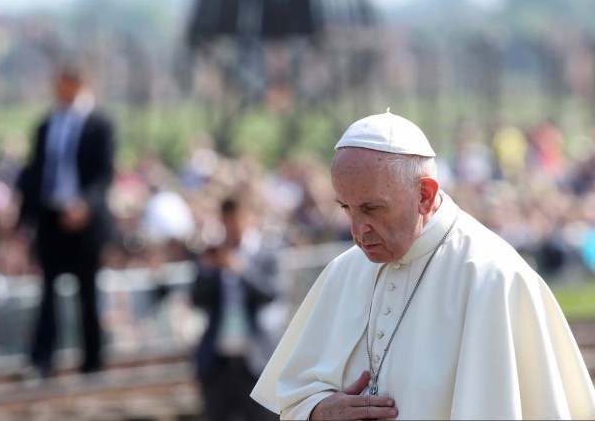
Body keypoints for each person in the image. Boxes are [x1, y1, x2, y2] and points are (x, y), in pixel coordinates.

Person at [251, 111, 595, 420]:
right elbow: (293, 398)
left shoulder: (493, 278)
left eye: (371, 209)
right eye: (346, 208)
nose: (357, 231)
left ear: (424, 195)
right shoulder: (344, 272)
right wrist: (318, 412)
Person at [17, 62, 115, 378]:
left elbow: (104, 174)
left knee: (87, 292)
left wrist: (85, 205)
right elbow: (36, 172)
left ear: (78, 84)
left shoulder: (99, 124)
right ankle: (42, 359)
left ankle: (92, 362)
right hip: (52, 217)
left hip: (86, 220)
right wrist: (22, 216)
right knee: (48, 291)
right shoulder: (47, 125)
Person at [191, 197, 281, 421]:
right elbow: (196, 298)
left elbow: (271, 293)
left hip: (255, 360)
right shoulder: (213, 255)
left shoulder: (265, 255)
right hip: (218, 362)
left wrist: (241, 270)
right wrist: (210, 267)